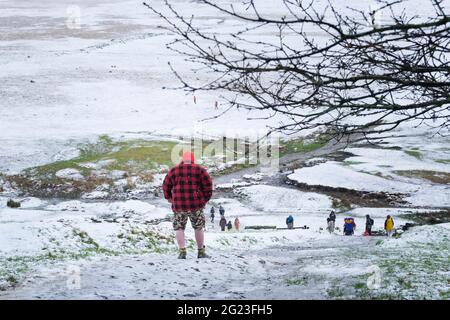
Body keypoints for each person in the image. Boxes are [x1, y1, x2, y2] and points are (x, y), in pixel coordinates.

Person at [163, 151, 213, 259]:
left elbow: (166, 185)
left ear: (182, 160)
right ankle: (201, 252)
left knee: (179, 228)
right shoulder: (200, 170)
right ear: (192, 160)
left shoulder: (173, 170)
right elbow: (208, 186)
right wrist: (204, 200)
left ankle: (182, 252)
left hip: (179, 205)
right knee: (198, 227)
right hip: (196, 204)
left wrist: (169, 198)